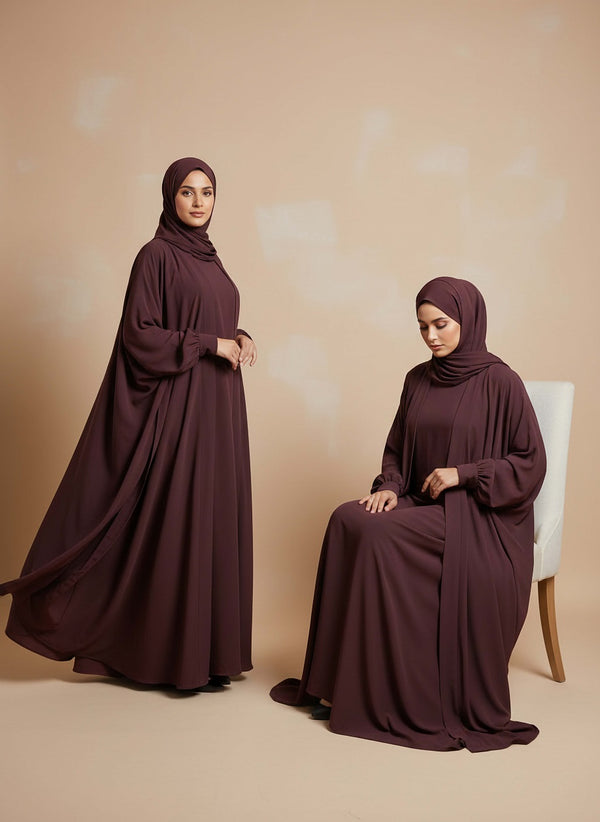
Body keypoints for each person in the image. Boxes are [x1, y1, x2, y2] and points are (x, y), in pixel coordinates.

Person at [0, 157, 256, 692]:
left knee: (209, 517)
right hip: (180, 406)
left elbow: (209, 317)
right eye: (186, 192)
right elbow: (140, 335)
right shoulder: (156, 255)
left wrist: (241, 335)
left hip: (219, 407)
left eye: (207, 192)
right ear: (169, 197)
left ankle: (208, 655)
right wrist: (211, 344)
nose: (198, 201)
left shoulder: (210, 258)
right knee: (175, 520)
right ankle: (163, 656)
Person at [271, 276, 546, 752]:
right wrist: (392, 488)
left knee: (381, 539)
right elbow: (397, 449)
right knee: (346, 519)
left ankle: (378, 696)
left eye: (441, 324)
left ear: (469, 320)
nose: (432, 337)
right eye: (422, 327)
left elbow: (529, 464)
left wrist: (466, 475)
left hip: (481, 520)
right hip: (423, 506)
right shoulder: (417, 378)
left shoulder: (501, 381)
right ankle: (335, 683)